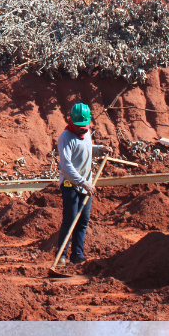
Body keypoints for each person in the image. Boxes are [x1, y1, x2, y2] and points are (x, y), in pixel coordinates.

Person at [55, 101, 107, 267]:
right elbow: (66, 165)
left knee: (83, 220)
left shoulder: (86, 132)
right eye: (78, 126)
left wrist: (100, 149)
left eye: (85, 126)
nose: (82, 129)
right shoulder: (65, 138)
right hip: (71, 184)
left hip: (86, 184)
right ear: (71, 121)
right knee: (70, 219)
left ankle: (78, 255)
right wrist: (83, 183)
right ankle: (61, 256)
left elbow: (86, 149)